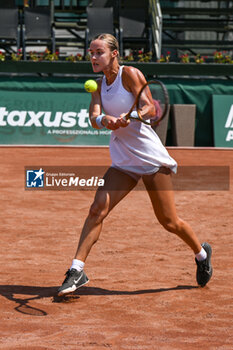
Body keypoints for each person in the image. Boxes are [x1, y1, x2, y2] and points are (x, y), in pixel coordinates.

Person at [57, 33, 213, 296]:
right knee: (97, 209)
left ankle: (201, 254)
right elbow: (93, 116)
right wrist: (105, 120)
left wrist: (131, 116)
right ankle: (76, 270)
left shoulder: (130, 74)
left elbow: (150, 107)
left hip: (149, 157)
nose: (93, 57)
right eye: (91, 53)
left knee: (169, 221)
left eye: (99, 53)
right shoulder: (97, 84)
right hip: (123, 159)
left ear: (114, 54)